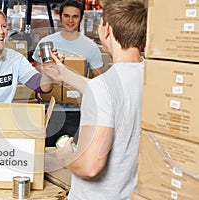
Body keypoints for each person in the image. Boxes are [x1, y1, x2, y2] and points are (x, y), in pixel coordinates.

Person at [40, 0, 147, 199]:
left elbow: (89, 166)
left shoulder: (103, 88)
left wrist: (65, 157)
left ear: (107, 30)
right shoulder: (150, 77)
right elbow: (112, 92)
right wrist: (63, 73)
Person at [32, 0, 104, 77]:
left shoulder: (91, 47)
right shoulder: (45, 43)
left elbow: (98, 79)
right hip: (52, 89)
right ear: (60, 17)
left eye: (75, 16)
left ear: (81, 19)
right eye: (66, 16)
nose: (70, 20)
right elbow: (37, 75)